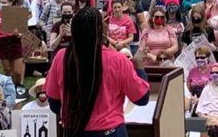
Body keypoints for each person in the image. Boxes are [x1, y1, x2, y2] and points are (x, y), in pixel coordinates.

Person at [45, 7, 150, 137]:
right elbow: (142, 98)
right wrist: (139, 65)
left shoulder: (62, 57)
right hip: (109, 131)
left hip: (74, 130)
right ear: (101, 31)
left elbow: (55, 104)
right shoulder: (118, 60)